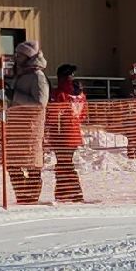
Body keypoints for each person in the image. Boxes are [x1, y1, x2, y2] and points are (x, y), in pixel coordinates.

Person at [4, 40, 49, 204]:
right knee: (13, 164)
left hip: (30, 128)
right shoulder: (21, 75)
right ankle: (22, 195)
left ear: (28, 57)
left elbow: (40, 102)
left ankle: (30, 197)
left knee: (31, 165)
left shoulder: (38, 77)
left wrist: (15, 96)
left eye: (20, 55)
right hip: (17, 127)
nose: (16, 58)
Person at [46, 63, 87, 203]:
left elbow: (52, 115)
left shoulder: (59, 94)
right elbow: (83, 115)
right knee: (66, 164)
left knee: (64, 165)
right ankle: (67, 192)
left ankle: (71, 193)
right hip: (74, 134)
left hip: (61, 135)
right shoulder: (80, 94)